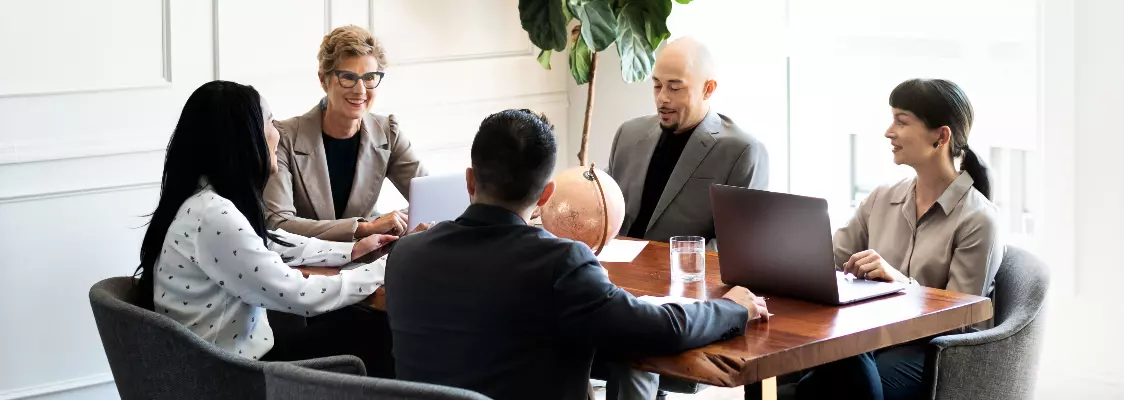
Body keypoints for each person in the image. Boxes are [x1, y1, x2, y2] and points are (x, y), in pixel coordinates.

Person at [384, 109, 769, 400]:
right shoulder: (558, 263)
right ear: (547, 194)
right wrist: (735, 306)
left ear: (470, 179)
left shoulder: (406, 255)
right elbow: (660, 328)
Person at [132, 80, 398, 378]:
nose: (278, 132)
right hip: (233, 377)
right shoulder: (213, 215)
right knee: (376, 330)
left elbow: (270, 243)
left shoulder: (203, 200)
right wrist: (384, 269)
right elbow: (299, 294)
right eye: (270, 121)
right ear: (244, 137)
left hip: (221, 362)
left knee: (359, 325)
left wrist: (352, 250)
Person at [759, 78, 1003, 400]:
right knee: (814, 359)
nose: (889, 132)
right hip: (872, 342)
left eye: (901, 121)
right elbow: (828, 262)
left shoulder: (978, 219)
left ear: (940, 137)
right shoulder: (881, 198)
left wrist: (900, 283)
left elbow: (959, 318)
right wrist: (780, 255)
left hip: (931, 353)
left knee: (826, 375)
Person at [605, 36, 769, 251]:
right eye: (657, 86)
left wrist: (679, 270)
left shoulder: (742, 152)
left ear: (708, 89)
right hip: (613, 272)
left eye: (675, 88)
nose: (662, 98)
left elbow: (736, 244)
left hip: (686, 277)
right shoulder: (628, 133)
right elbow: (603, 204)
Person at [266, 25, 427, 241]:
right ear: (324, 80)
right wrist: (364, 228)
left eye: (370, 77)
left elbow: (430, 199)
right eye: (348, 77)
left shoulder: (388, 131)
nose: (360, 90)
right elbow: (278, 223)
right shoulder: (284, 136)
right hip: (308, 266)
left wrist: (395, 222)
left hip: (368, 262)